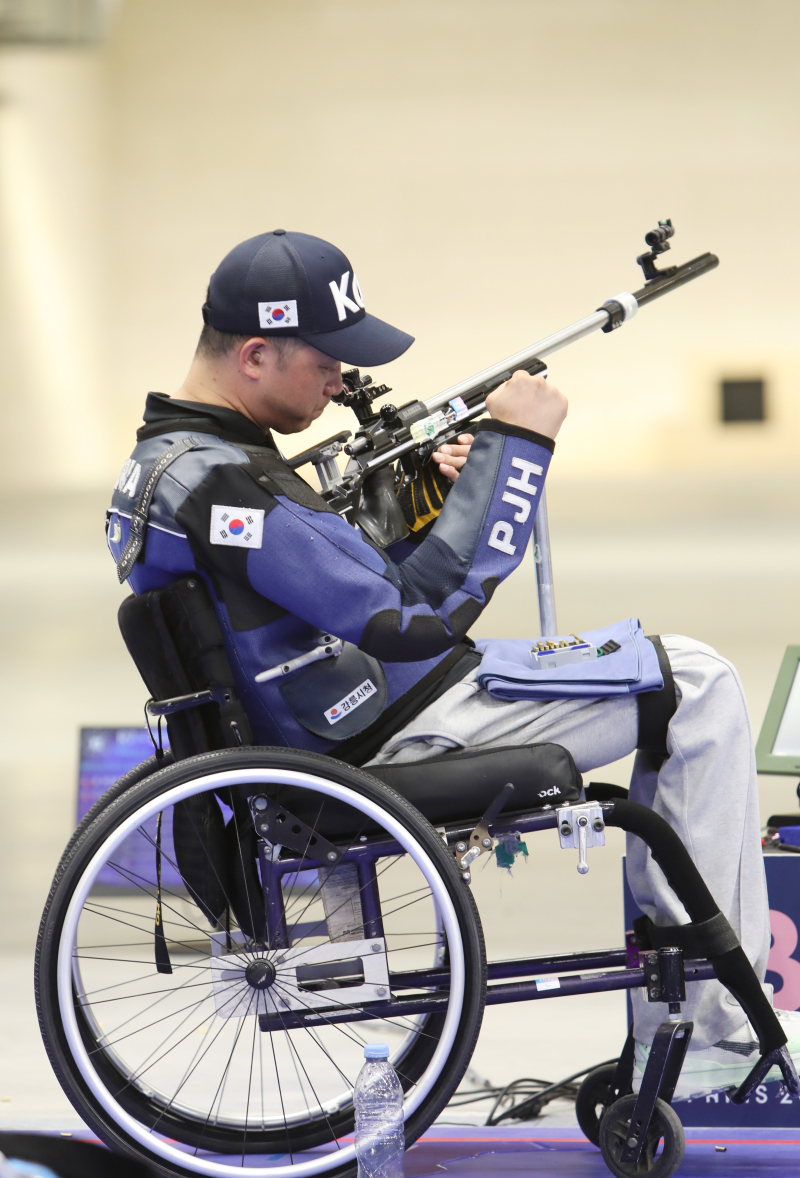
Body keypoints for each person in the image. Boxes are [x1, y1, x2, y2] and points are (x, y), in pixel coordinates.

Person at [107, 228, 797, 1100]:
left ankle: (692, 1021)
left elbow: (357, 587)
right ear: (255, 354)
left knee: (685, 674)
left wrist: (445, 501)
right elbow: (414, 620)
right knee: (697, 683)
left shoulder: (174, 467)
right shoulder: (225, 489)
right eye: (327, 361)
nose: (340, 382)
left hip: (354, 709)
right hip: (385, 726)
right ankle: (715, 1038)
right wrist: (517, 457)